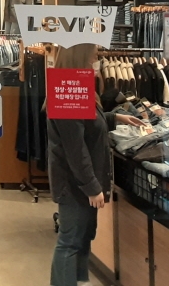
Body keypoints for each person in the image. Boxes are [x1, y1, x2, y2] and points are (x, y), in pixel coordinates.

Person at [48, 44, 144, 286]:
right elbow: (75, 148)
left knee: (82, 238)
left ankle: (80, 281)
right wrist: (91, 186)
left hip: (80, 182)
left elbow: (87, 123)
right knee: (71, 242)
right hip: (74, 184)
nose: (96, 60)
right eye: (92, 55)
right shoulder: (66, 91)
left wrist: (115, 117)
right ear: (79, 56)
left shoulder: (77, 87)